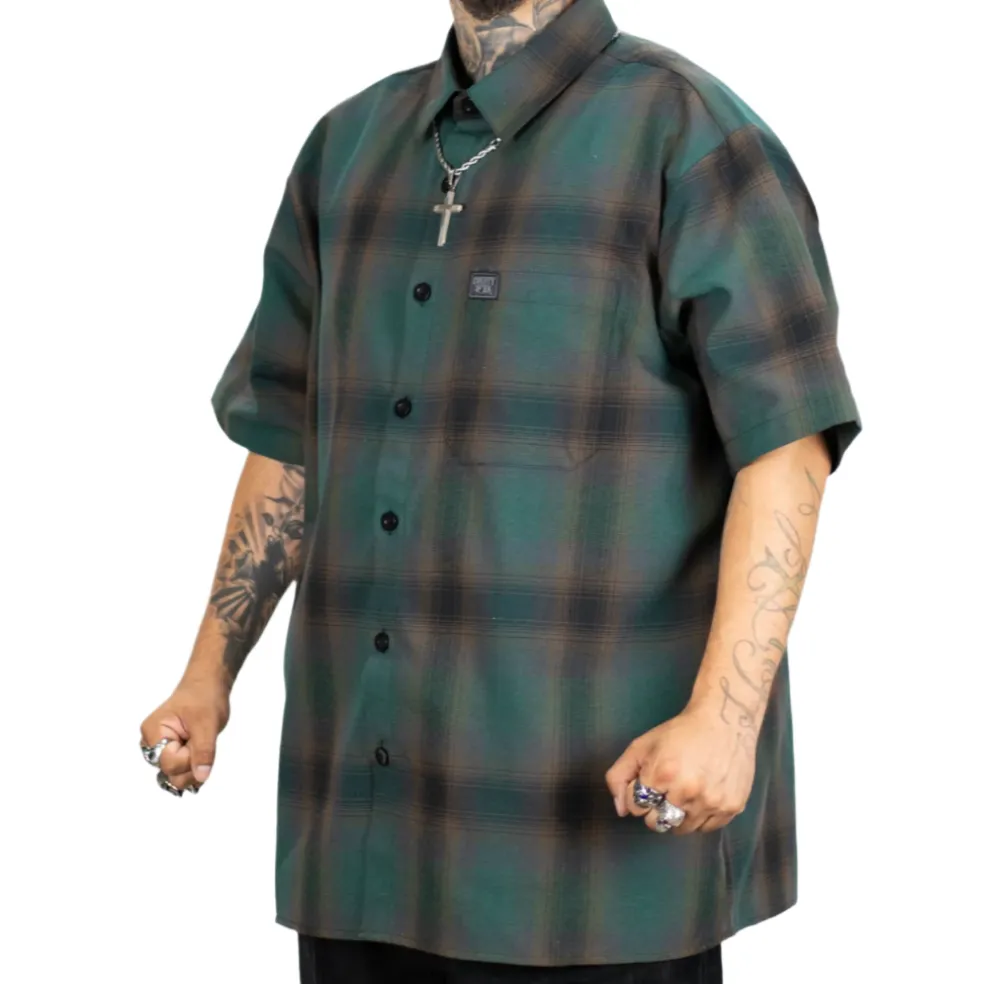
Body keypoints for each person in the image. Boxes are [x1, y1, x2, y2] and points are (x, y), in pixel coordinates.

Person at [138, 1, 861, 981]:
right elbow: (290, 440)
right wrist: (207, 676)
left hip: (589, 858)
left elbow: (787, 444)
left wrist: (728, 721)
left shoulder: (686, 134)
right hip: (361, 835)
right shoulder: (346, 149)